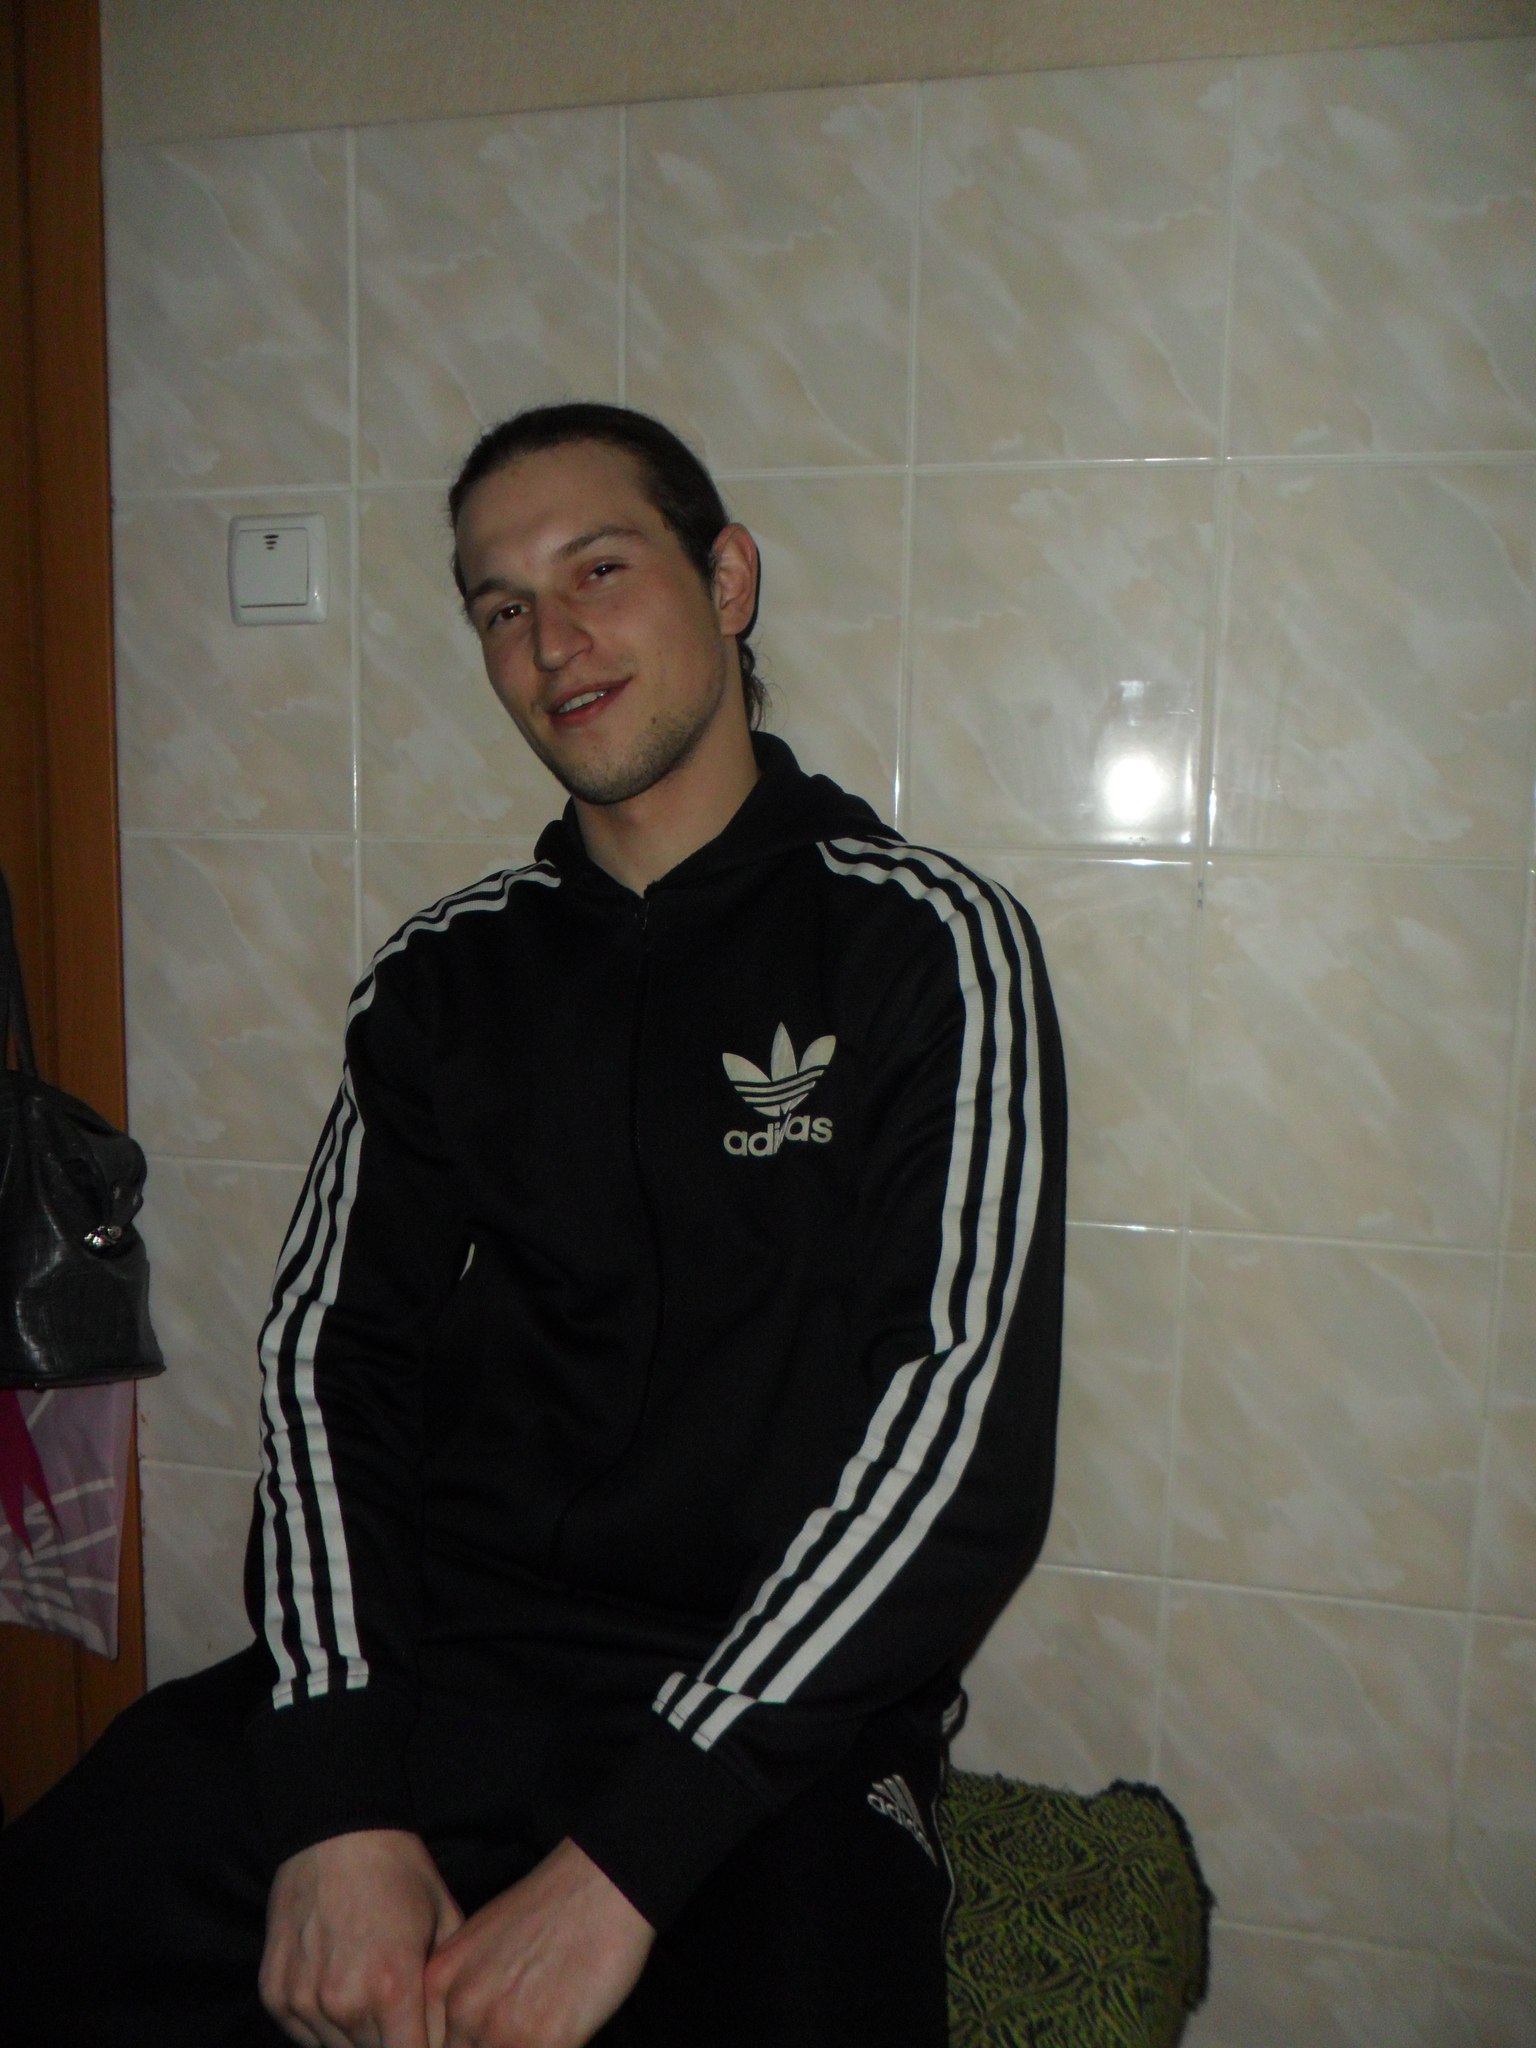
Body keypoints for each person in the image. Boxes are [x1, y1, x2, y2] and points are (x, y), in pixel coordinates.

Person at [0, 402, 1066, 2048]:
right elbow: (328, 1364)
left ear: (728, 581)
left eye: (599, 570)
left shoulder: (927, 943)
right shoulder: (447, 978)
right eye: (501, 605)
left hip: (781, 1736)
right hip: (453, 1670)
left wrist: (627, 1864)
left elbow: (958, 1438)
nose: (550, 640)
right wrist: (338, 1794)